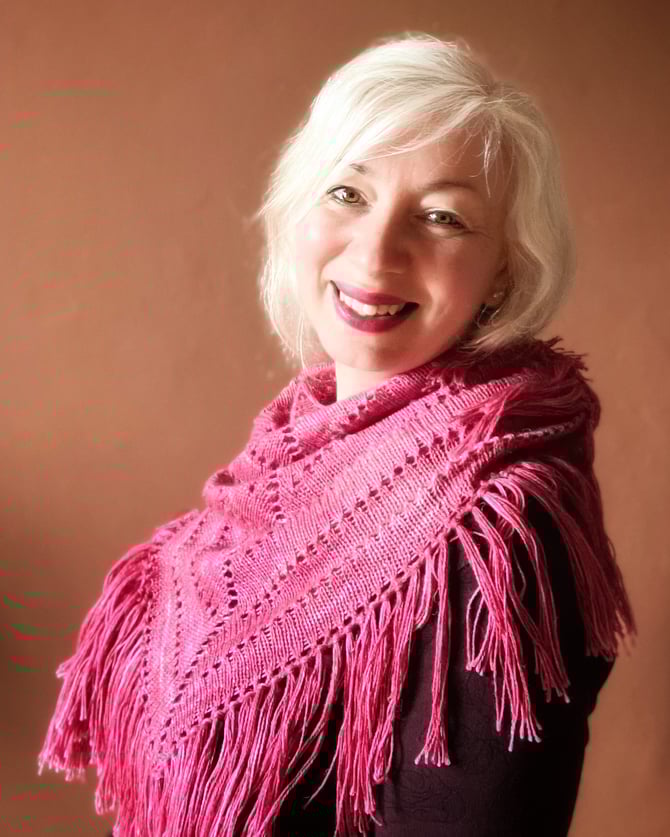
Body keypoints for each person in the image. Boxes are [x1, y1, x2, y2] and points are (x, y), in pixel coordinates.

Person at [38, 32, 636, 837]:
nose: (377, 252)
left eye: (442, 216)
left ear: (504, 268)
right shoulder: (281, 470)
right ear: (300, 209)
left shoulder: (496, 526)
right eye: (349, 193)